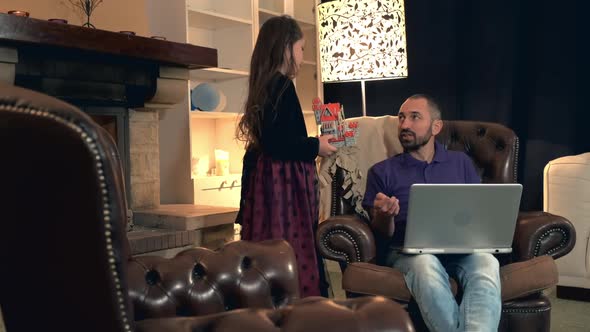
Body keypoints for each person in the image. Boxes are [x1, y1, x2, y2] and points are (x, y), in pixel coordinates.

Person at [362, 94, 501, 332]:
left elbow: (477, 214)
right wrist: (385, 216)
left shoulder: (461, 163)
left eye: (415, 117)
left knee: (488, 262)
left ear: (436, 126)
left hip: (462, 249)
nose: (405, 125)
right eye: (402, 118)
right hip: (408, 251)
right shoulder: (381, 172)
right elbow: (382, 234)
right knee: (425, 265)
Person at [235, 15, 337, 298]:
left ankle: (266, 298)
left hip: (268, 181)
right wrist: (316, 146)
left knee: (269, 240)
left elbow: (272, 140)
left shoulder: (264, 85)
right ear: (286, 47)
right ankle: (296, 300)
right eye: (302, 49)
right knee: (291, 242)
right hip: (284, 185)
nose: (303, 58)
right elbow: (281, 144)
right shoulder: (281, 85)